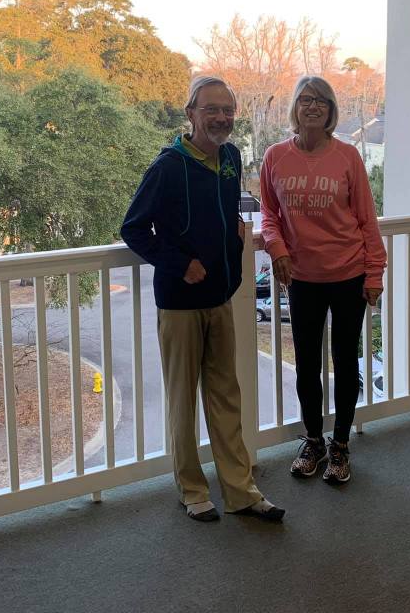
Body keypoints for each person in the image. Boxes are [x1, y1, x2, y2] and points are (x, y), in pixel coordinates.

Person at [121, 75, 285, 523]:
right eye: (211, 109)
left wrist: (236, 237)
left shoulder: (230, 157)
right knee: (182, 401)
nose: (221, 118)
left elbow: (227, 209)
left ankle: (241, 491)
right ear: (190, 114)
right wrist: (179, 264)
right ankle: (192, 491)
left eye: (227, 110)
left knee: (226, 396)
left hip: (221, 295)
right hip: (179, 302)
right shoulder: (168, 167)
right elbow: (133, 229)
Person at [259, 75, 386, 484]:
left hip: (348, 274)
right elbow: (269, 214)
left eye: (322, 101)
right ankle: (313, 440)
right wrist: (277, 248)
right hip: (302, 278)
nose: (313, 106)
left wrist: (374, 272)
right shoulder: (275, 156)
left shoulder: (347, 157)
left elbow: (367, 219)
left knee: (346, 364)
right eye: (306, 99)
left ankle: (341, 445)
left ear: (331, 111)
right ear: (295, 107)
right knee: (307, 366)